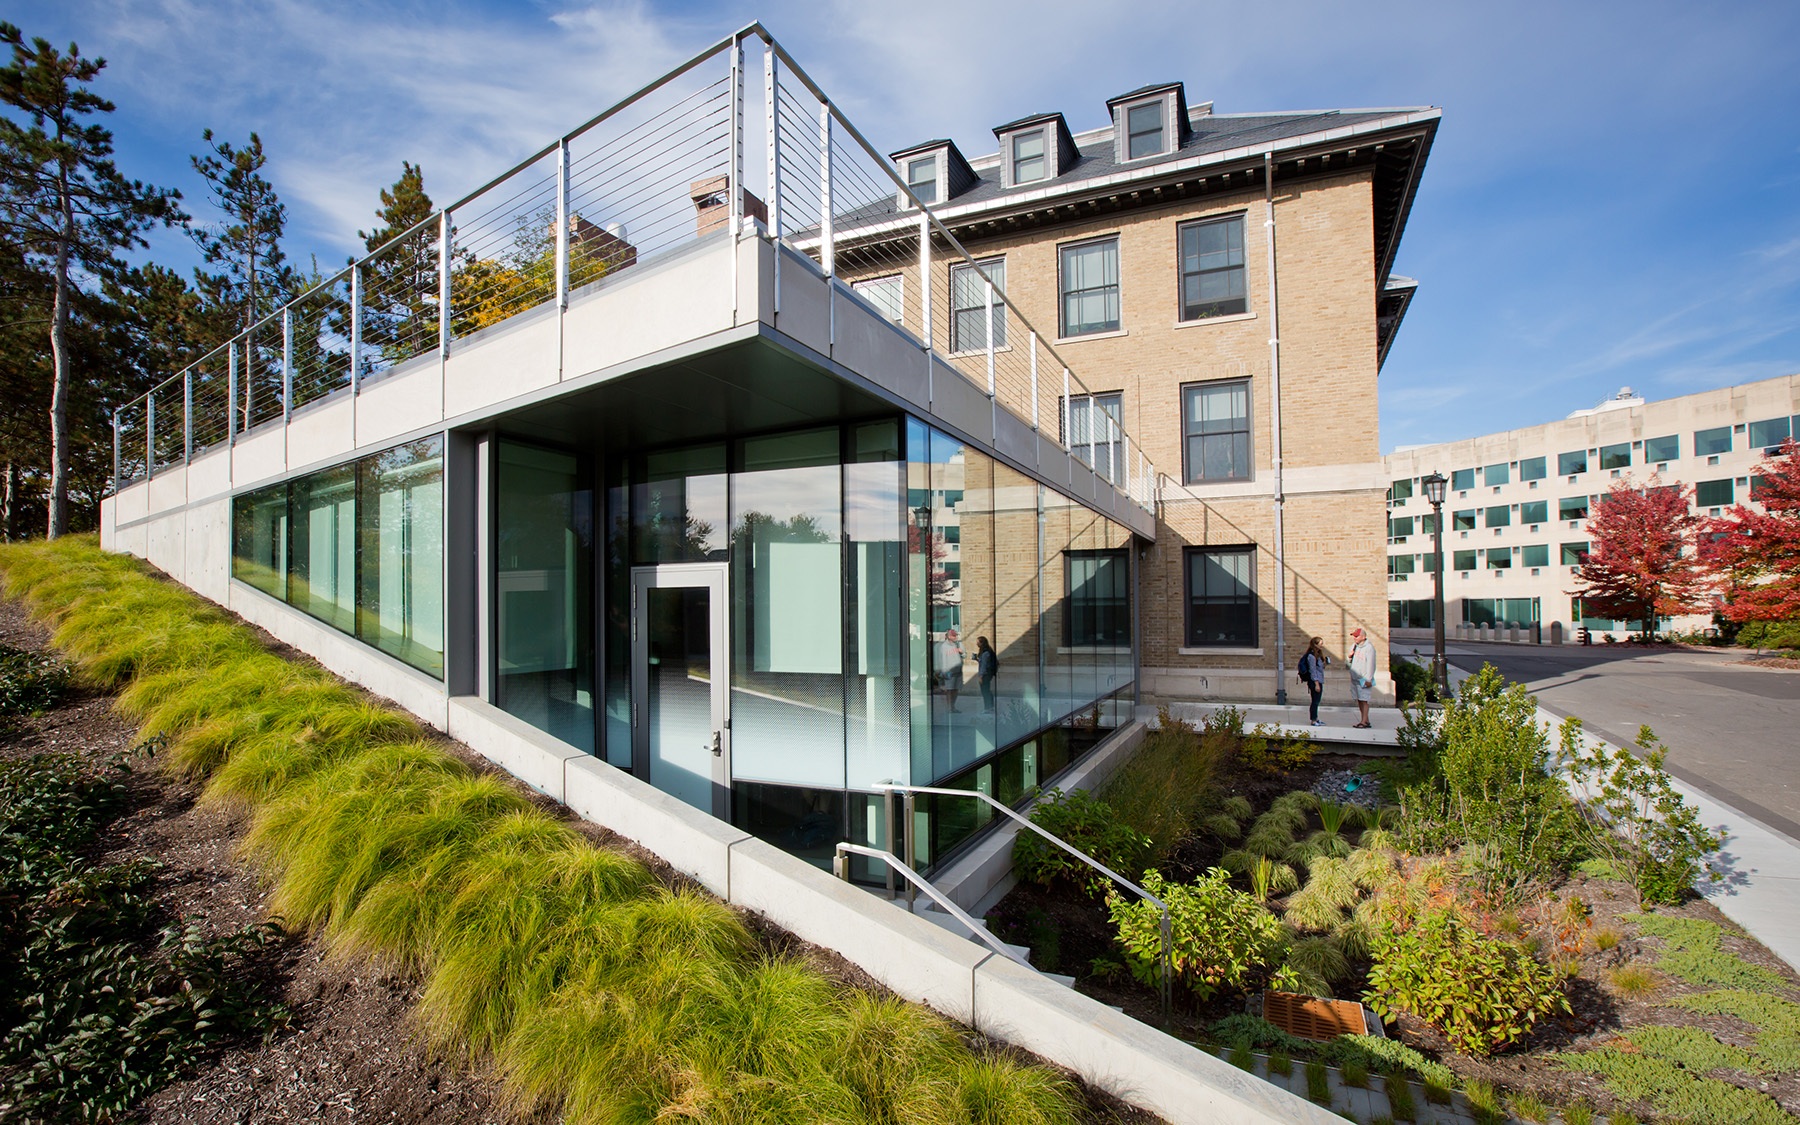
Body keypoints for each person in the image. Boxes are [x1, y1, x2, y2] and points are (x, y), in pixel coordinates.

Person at [1347, 626, 1376, 728]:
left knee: (1364, 700)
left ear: (1363, 637)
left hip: (1364, 678)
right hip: (1355, 678)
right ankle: (1365, 720)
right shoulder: (1354, 646)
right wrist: (1350, 657)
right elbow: (1349, 663)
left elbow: (1371, 664)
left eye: (1357, 636)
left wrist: (1369, 678)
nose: (1355, 638)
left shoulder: (1369, 648)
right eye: (1354, 636)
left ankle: (1363, 721)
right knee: (1359, 700)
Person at [1298, 636, 1329, 726]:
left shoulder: (1318, 655)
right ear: (1315, 644)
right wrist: (1316, 684)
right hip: (1315, 681)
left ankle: (1316, 718)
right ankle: (1313, 720)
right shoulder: (1311, 656)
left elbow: (1319, 669)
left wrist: (1325, 664)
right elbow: (1312, 670)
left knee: (1317, 700)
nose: (1322, 646)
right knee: (1315, 701)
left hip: (1319, 680)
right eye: (1320, 644)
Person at [935, 628, 964, 710]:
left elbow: (963, 655)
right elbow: (943, 660)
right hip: (949, 672)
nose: (955, 637)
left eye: (956, 636)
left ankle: (953, 706)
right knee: (950, 690)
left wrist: (962, 652)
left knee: (956, 689)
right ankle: (949, 707)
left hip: (958, 671)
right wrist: (944, 672)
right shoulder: (944, 647)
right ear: (949, 636)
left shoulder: (957, 644)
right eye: (953, 636)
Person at [975, 636, 999, 714]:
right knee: (987, 690)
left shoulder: (985, 653)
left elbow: (984, 666)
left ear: (982, 643)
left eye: (978, 642)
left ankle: (987, 707)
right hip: (988, 674)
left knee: (985, 691)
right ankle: (990, 706)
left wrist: (981, 676)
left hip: (985, 674)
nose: (977, 644)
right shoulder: (988, 651)